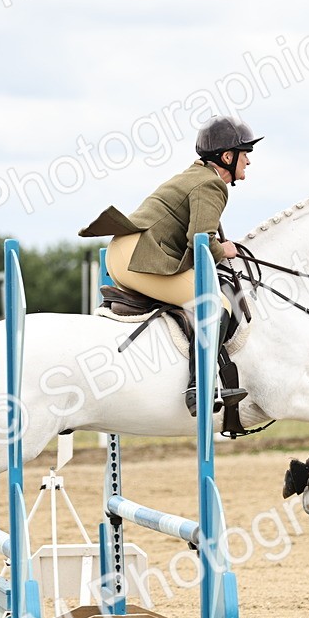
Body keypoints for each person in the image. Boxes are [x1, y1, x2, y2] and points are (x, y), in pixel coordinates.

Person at [79, 114, 262, 415]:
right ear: (227, 156)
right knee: (215, 303)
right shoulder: (211, 185)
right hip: (140, 257)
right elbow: (201, 241)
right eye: (245, 154)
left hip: (125, 251)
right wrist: (224, 250)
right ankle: (199, 387)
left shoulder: (195, 176)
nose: (249, 162)